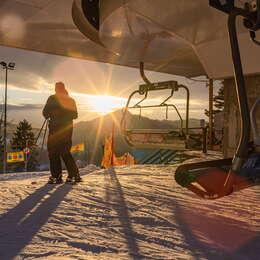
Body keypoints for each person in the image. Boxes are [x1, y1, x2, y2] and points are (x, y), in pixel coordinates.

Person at [43, 82, 82, 184]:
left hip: (55, 131)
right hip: (66, 130)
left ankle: (56, 176)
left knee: (53, 153)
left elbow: (45, 113)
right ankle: (73, 175)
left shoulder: (52, 98)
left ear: (56, 89)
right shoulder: (70, 100)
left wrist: (53, 114)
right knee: (65, 152)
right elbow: (75, 115)